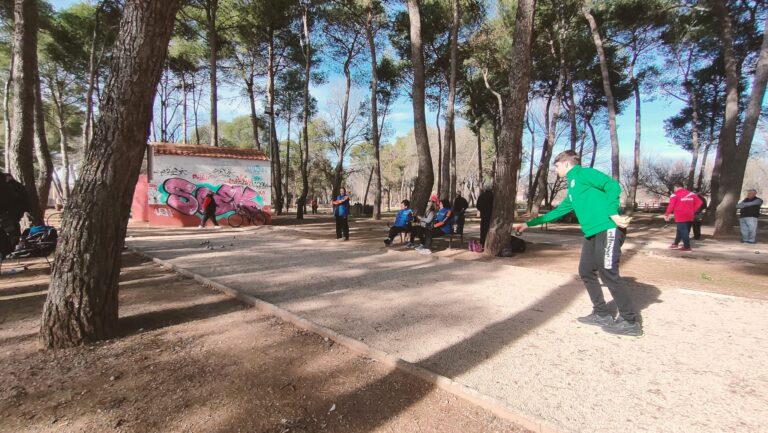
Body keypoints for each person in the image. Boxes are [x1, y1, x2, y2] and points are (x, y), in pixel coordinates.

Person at [513, 150, 642, 337]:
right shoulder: (573, 187)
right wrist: (528, 224)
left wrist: (612, 212)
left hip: (608, 228)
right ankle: (601, 314)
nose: (555, 169)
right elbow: (558, 212)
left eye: (556, 165)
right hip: (592, 233)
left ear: (566, 164)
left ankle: (630, 321)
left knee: (608, 272)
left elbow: (612, 186)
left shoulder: (584, 173)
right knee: (586, 271)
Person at [664, 182, 702, 252]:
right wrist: (693, 210)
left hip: (680, 214)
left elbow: (671, 206)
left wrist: (667, 214)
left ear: (676, 187)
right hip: (689, 214)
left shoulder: (674, 195)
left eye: (674, 188)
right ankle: (676, 243)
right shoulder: (692, 194)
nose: (674, 189)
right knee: (680, 229)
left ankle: (687, 246)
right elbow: (699, 203)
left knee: (683, 230)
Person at [0, 171, 30, 254]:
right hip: (11, 213)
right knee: (12, 231)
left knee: (10, 232)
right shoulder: (8, 186)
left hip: (7, 214)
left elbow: (11, 201)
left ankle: (11, 249)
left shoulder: (9, 186)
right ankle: (11, 248)